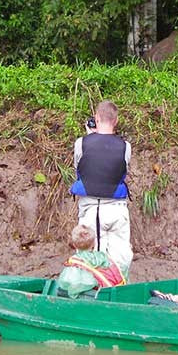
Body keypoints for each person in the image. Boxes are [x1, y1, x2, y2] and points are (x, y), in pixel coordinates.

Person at [70, 100, 133, 274]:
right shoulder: (126, 146)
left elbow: (80, 168)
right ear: (116, 120)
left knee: (91, 261)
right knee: (121, 259)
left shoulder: (81, 143)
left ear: (96, 118)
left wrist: (91, 137)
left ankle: (94, 296)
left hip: (92, 208)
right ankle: (118, 291)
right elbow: (123, 169)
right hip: (117, 209)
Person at [57, 225, 126, 298]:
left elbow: (67, 286)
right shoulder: (104, 257)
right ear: (94, 244)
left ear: (74, 245)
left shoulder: (75, 263)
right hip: (114, 292)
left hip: (99, 297)